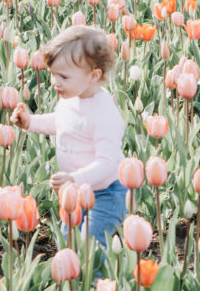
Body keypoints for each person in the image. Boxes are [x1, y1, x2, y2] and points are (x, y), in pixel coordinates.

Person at [11, 24, 127, 246]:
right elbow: (62, 122)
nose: (55, 82)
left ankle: (97, 280)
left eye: (63, 76)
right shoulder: (71, 99)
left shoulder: (104, 114)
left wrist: (75, 179)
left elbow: (107, 161)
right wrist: (30, 122)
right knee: (68, 237)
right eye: (53, 74)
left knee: (90, 243)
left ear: (94, 76)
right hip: (76, 190)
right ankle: (74, 278)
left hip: (107, 192)